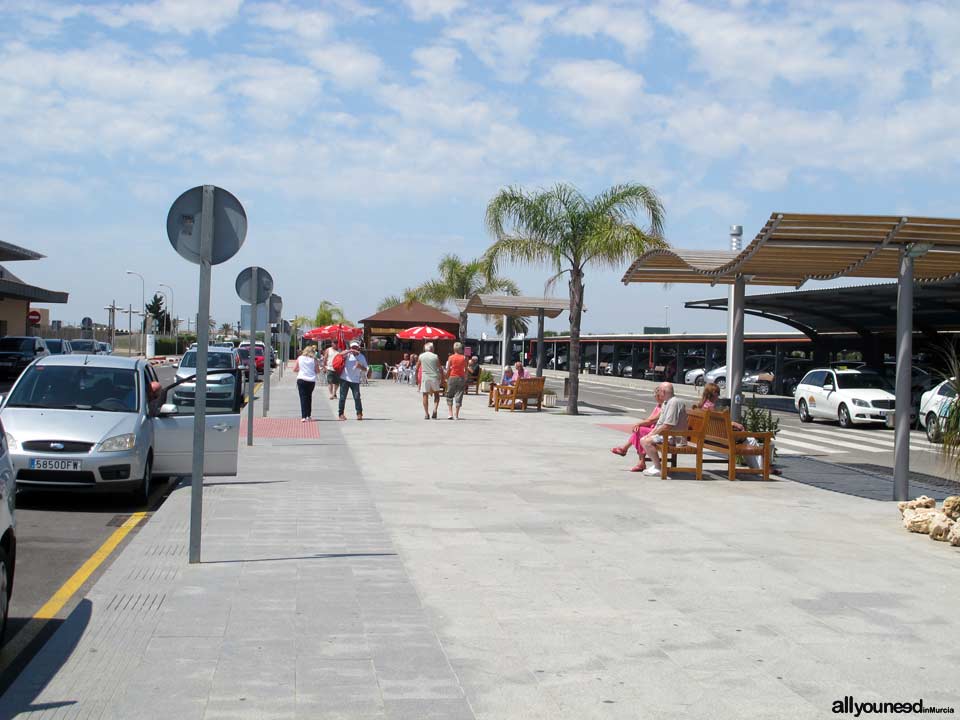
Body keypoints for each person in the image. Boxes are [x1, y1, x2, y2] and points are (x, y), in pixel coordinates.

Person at [638, 382, 688, 477]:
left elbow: (667, 425)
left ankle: (658, 467)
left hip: (675, 438)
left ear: (663, 392)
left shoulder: (674, 402)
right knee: (644, 439)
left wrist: (652, 435)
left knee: (646, 442)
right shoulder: (666, 402)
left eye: (659, 391)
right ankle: (656, 466)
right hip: (668, 435)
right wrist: (651, 433)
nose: (658, 393)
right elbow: (660, 423)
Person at [611, 386, 665, 472]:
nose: (656, 398)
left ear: (660, 396)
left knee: (639, 431)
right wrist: (640, 425)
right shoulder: (659, 405)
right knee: (638, 430)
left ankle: (629, 453)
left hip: (661, 432)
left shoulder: (665, 406)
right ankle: (638, 460)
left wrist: (638, 424)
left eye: (656, 396)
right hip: (654, 430)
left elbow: (652, 420)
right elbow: (650, 419)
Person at [337, 340, 368, 421]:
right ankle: (341, 414)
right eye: (352, 347)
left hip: (355, 380)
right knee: (342, 397)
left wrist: (360, 367)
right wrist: (349, 351)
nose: (354, 349)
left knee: (357, 397)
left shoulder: (361, 357)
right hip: (344, 378)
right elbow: (339, 355)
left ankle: (359, 413)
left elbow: (366, 369)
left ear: (358, 348)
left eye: (355, 347)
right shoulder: (347, 355)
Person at [417, 342, 444, 419]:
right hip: (434, 377)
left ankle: (426, 413)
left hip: (425, 377)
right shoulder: (435, 356)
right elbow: (440, 368)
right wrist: (442, 378)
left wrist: (417, 379)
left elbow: (417, 368)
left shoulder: (421, 356)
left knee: (425, 395)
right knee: (436, 394)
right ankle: (435, 409)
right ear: (432, 349)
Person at [294, 346, 321, 422]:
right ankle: (308, 415)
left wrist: (301, 369)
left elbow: (295, 369)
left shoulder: (300, 358)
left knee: (303, 397)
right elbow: (317, 371)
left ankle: (303, 416)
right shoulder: (314, 360)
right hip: (311, 380)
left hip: (301, 379)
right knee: (309, 397)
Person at [445, 342, 467, 420]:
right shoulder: (464, 358)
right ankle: (456, 414)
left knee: (450, 395)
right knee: (459, 394)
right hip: (461, 377)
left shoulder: (451, 357)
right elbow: (466, 369)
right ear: (460, 349)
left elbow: (448, 369)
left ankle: (450, 413)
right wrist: (465, 377)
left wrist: (446, 377)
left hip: (452, 376)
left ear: (454, 349)